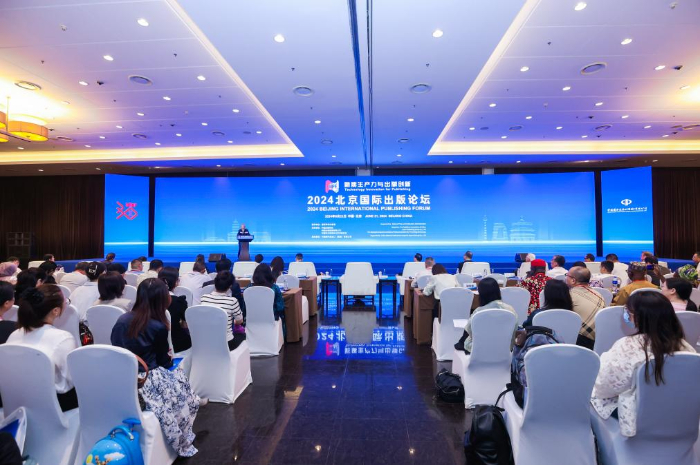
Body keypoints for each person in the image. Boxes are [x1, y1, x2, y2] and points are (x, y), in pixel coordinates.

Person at [110, 278, 200, 457]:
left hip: (122, 375)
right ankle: (184, 435)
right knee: (185, 392)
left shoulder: (122, 319)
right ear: (161, 299)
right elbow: (164, 362)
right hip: (147, 379)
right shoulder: (157, 326)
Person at [591, 292, 695, 437]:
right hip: (676, 414)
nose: (626, 315)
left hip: (640, 417)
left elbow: (604, 386)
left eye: (629, 312)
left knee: (593, 396)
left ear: (639, 317)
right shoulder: (686, 347)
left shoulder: (627, 346)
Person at [7, 285, 78, 411]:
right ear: (56, 310)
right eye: (65, 301)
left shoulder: (14, 335)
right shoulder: (63, 339)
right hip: (57, 405)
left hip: (20, 403)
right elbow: (73, 378)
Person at [460, 278, 517, 353]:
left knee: (464, 340)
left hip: (481, 350)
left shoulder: (478, 312)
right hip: (505, 349)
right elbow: (515, 329)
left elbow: (470, 330)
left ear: (481, 294)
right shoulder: (510, 309)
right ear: (498, 291)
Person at [201, 271, 245, 351]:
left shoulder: (204, 298)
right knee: (242, 335)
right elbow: (240, 321)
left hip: (206, 341)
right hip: (226, 342)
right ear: (230, 286)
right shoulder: (232, 301)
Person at [565, 266, 605, 350]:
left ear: (573, 280)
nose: (565, 278)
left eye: (567, 275)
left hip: (581, 343)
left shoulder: (569, 295)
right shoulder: (599, 295)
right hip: (601, 339)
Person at [159, 267, 191, 354]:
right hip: (176, 342)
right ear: (176, 282)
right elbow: (185, 325)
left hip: (154, 340)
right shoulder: (180, 302)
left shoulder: (151, 299)